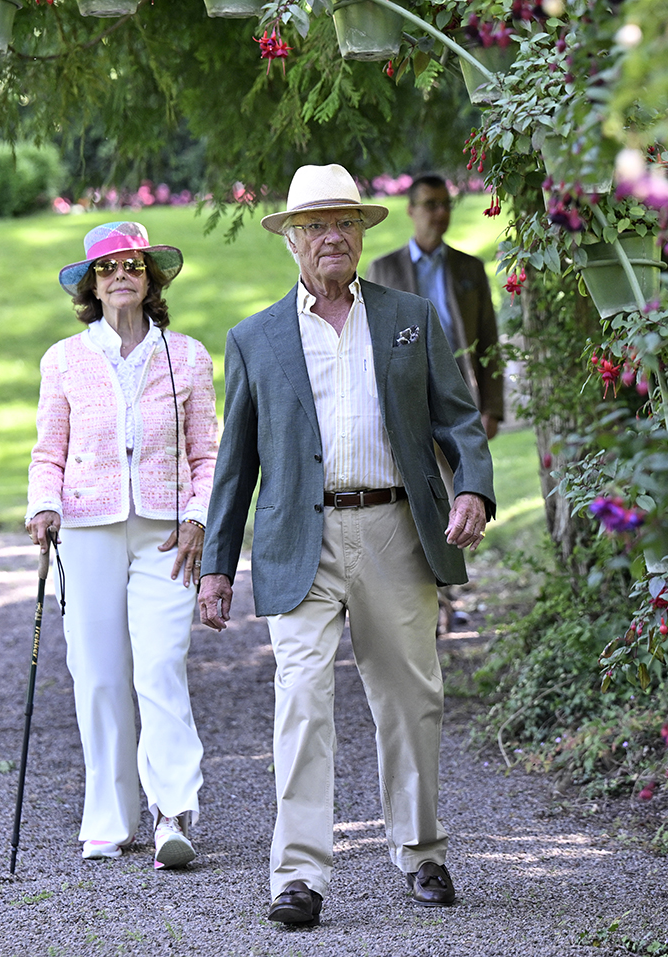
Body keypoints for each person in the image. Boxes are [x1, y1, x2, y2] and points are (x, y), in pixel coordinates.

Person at [198, 164, 495, 924]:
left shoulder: (409, 316)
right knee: (300, 699)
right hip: (300, 537)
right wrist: (216, 566)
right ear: (292, 240)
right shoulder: (255, 338)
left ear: (363, 233)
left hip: (397, 527)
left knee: (410, 699)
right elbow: (235, 466)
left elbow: (458, 418)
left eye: (345, 223)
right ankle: (297, 875)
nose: (332, 236)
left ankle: (422, 851)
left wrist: (471, 485)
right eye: (316, 225)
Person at [25, 221, 218, 869]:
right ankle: (108, 817)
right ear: (91, 285)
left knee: (160, 663)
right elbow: (48, 451)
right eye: (106, 268)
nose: (120, 275)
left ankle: (172, 811)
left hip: (166, 533)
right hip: (86, 529)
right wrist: (43, 505)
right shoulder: (64, 359)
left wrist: (198, 516)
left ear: (151, 276)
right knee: (100, 675)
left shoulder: (186, 355)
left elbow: (207, 453)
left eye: (132, 264)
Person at [365, 173, 503, 440]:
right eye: (431, 204)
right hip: (404, 403)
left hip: (460, 397)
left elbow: (489, 338)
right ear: (411, 210)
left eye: (446, 204)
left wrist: (492, 409)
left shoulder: (470, 269)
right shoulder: (383, 270)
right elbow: (368, 344)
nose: (441, 212)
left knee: (465, 482)